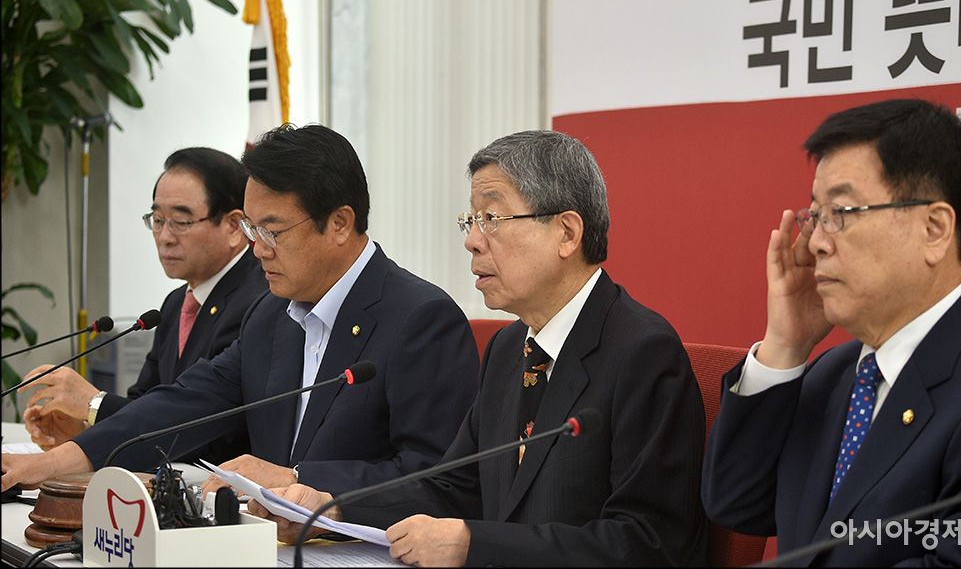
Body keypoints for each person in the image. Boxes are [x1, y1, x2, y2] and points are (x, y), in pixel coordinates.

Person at [250, 130, 709, 566]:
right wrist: (332, 508)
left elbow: (647, 542)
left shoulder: (642, 353)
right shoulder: (509, 348)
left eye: (491, 219)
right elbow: (453, 488)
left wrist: (475, 544)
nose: (472, 241)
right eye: (470, 221)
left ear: (567, 233)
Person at [2, 124, 480, 498]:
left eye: (272, 231)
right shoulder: (270, 316)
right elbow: (183, 406)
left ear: (339, 223)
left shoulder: (420, 319)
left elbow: (437, 478)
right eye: (252, 229)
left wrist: (298, 480)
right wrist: (45, 465)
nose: (257, 249)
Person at [702, 99, 961, 566]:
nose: (815, 243)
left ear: (934, 229)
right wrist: (785, 346)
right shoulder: (833, 374)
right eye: (816, 215)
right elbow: (736, 502)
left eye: (842, 212)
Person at [18, 147, 265, 465]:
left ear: (233, 226)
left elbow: (212, 433)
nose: (165, 237)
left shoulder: (258, 301)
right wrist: (82, 430)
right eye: (158, 220)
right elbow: (144, 401)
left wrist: (93, 403)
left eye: (181, 221)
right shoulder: (175, 304)